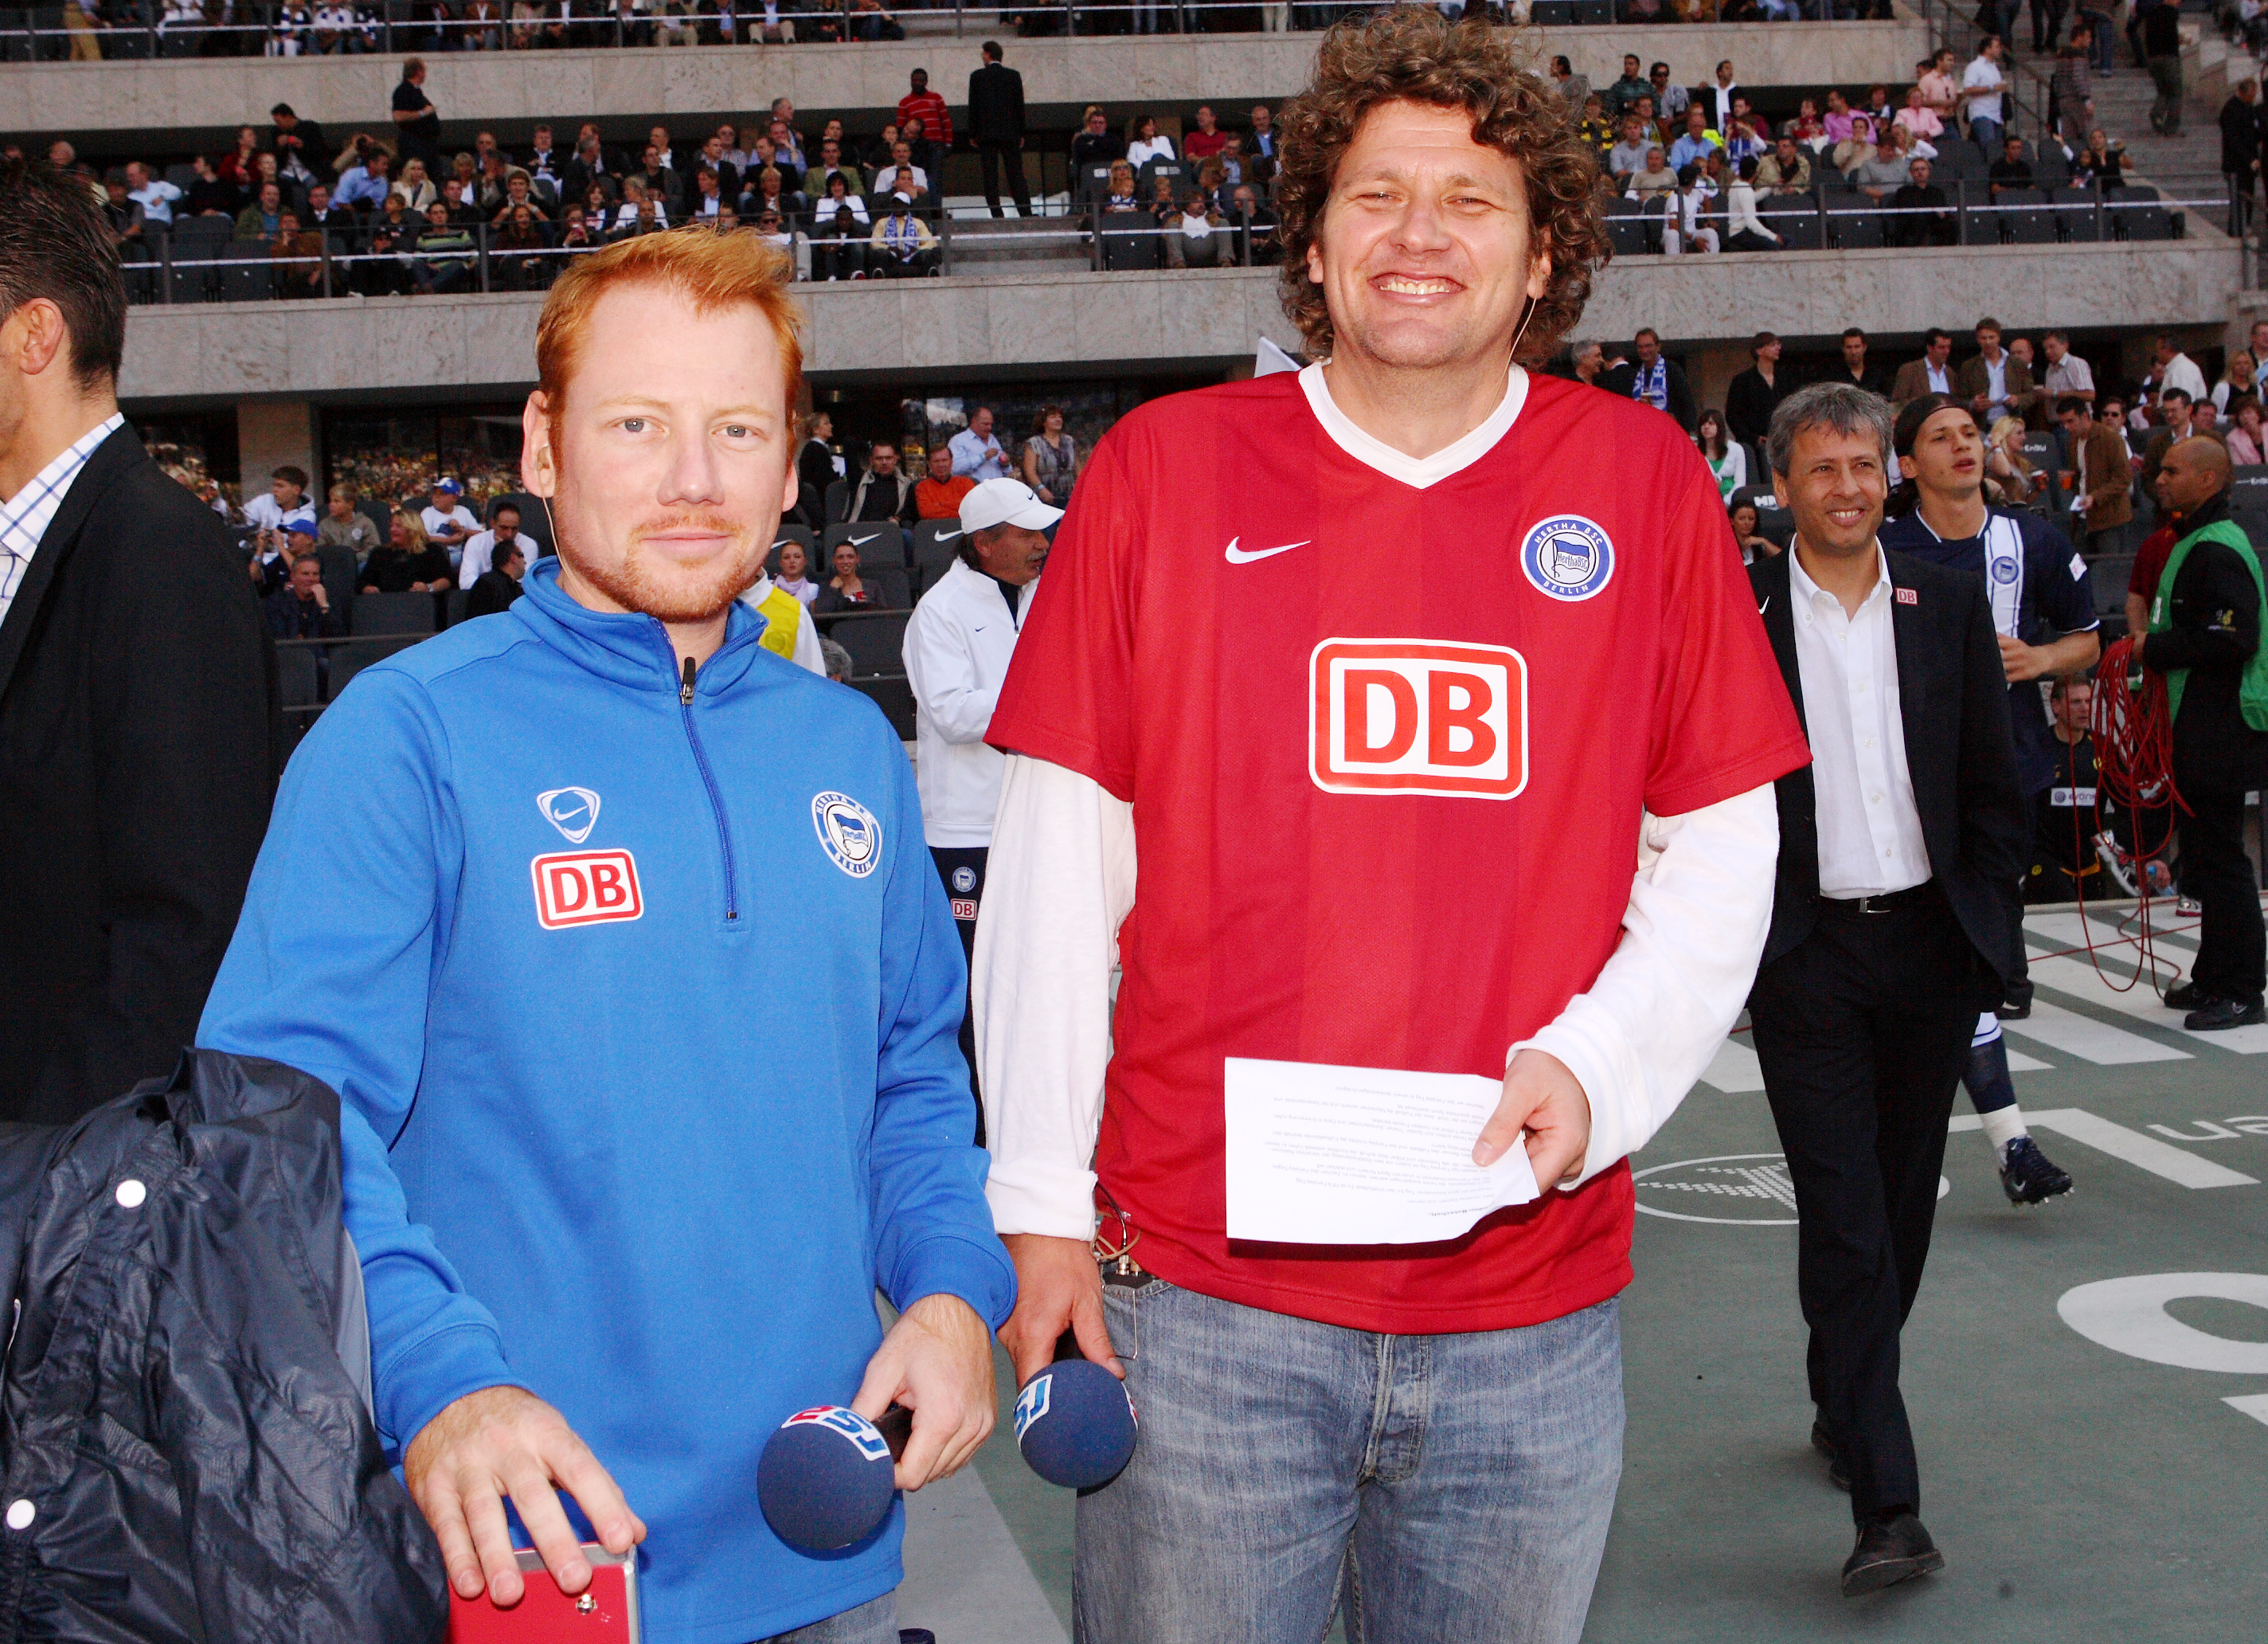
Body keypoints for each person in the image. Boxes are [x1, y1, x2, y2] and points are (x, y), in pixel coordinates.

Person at [974, 14, 1810, 1639]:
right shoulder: (1160, 474)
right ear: (1310, 237)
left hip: (1526, 1310)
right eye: (1373, 194)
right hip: (1197, 1299)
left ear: (1541, 249)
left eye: (1468, 199)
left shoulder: (1640, 484)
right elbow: (1056, 874)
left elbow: (1722, 833)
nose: (1417, 235)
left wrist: (1601, 1056)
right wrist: (1039, 1208)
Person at [199, 229, 1011, 1644]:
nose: (693, 478)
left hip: (810, 1536)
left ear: (786, 457)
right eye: (636, 424)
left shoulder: (848, 747)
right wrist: (442, 1380)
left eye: (737, 429)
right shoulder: (404, 739)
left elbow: (911, 1084)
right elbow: (278, 1125)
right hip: (520, 1549)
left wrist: (949, 1288)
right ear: (542, 444)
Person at [1746, 384, 2029, 1596]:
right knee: (1848, 1218)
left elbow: (1991, 778)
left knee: (1898, 1216)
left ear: (1889, 475)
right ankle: (1890, 1507)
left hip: (1927, 949)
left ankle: (1840, 1395)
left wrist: (1985, 917)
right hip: (1807, 960)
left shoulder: (1947, 596)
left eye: (1865, 465)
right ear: (1785, 486)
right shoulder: (1741, 614)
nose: (1849, 488)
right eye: (1824, 471)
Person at [0, 158, 275, 1123]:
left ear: (35, 333)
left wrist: (34, 1178)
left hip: (62, 1193)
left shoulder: (158, 554)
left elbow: (184, 934)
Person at [1882, 395, 2095, 1201]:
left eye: (1969, 434)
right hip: (1910, 792)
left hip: (2010, 777)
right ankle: (2011, 1145)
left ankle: (1985, 1142)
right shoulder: (1885, 544)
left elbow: (2087, 635)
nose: (1961, 447)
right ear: (1909, 464)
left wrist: (2037, 662)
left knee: (1962, 972)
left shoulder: (2029, 540)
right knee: (1956, 967)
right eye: (1940, 438)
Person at [2137, 438, 2268, 1028]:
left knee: (2220, 858)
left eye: (2172, 470)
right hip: (2197, 723)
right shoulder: (2193, 539)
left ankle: (2242, 988)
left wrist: (2151, 648)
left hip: (2220, 726)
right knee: (2204, 855)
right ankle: (2213, 976)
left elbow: (2234, 635)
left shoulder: (2216, 549)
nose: (2160, 477)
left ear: (2210, 478)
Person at [2061, 394, 2134, 557]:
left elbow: (2124, 478)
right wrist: (2070, 478)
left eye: (2070, 421)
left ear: (2085, 416)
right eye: (2064, 422)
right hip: (2083, 516)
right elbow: (2082, 475)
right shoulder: (2073, 442)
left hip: (2111, 520)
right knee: (2081, 569)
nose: (2066, 427)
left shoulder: (2111, 439)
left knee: (2111, 570)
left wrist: (2095, 497)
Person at [969, 41, 1031, 220]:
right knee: (1016, 174)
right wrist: (1021, 132)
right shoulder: (1013, 76)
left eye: (983, 54)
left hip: (986, 134)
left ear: (988, 54)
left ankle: (997, 212)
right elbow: (1020, 106)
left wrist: (973, 133)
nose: (982, 57)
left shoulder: (977, 77)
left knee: (990, 175)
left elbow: (973, 107)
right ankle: (1025, 211)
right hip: (1010, 133)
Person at [267, 546, 344, 645]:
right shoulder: (277, 602)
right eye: (305, 574)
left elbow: (339, 640)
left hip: (322, 657)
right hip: (291, 656)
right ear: (293, 577)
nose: (311, 579)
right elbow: (279, 638)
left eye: (315, 574)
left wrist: (324, 607)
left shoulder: (329, 601)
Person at [361, 511, 452, 594]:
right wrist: (368, 589)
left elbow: (447, 580)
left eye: (398, 526)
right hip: (386, 604)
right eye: (391, 526)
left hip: (421, 603)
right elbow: (363, 583)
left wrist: (428, 588)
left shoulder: (433, 550)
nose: (392, 529)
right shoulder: (379, 553)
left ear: (412, 529)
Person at [1726, 331, 1789, 449]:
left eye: (1778, 344)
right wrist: (1752, 438)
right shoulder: (1742, 381)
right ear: (1759, 350)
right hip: (1754, 446)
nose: (1778, 347)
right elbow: (1732, 415)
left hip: (1782, 443)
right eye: (1773, 344)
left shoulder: (1784, 378)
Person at [846, 440, 919, 526]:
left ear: (895, 459)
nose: (884, 462)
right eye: (879, 458)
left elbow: (910, 511)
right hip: (860, 530)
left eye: (888, 458)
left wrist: (897, 518)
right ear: (871, 460)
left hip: (890, 531)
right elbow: (848, 443)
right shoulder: (859, 481)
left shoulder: (905, 484)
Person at [456, 502, 527, 588]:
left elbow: (527, 581)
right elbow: (466, 581)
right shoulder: (475, 542)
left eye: (514, 529)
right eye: (504, 528)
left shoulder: (529, 544)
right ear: (493, 524)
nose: (509, 534)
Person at [870, 193, 940, 278]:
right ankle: (880, 276)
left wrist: (917, 249)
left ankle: (931, 274)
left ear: (907, 206)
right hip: (891, 256)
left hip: (912, 257)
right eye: (895, 203)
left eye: (900, 204)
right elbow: (874, 243)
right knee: (881, 253)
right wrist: (889, 248)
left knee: (925, 253)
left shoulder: (917, 222)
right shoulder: (882, 222)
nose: (897, 206)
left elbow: (931, 242)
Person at [392, 57, 442, 176]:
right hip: (415, 145)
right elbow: (398, 116)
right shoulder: (403, 90)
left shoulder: (415, 91)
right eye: (424, 70)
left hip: (426, 145)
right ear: (418, 71)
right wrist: (423, 113)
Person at [1022, 405, 1077, 507]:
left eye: (1060, 417)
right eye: (1053, 417)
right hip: (1045, 496)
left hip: (1070, 495)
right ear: (1043, 422)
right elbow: (1029, 471)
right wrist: (1041, 488)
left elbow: (1077, 469)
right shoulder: (1034, 443)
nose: (1058, 420)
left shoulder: (1069, 441)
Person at [1965, 35, 2011, 151]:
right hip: (1982, 113)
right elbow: (1968, 89)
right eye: (1996, 47)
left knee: (1997, 148)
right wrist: (1992, 88)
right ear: (1987, 49)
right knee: (1989, 147)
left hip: (1995, 114)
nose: (1999, 49)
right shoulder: (1975, 67)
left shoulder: (1994, 67)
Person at [461, 534, 525, 618]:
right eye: (521, 555)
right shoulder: (486, 585)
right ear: (513, 558)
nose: (524, 561)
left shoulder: (516, 588)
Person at [949, 406, 1012, 480]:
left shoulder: (993, 439)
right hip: (974, 490)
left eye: (991, 424)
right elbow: (955, 468)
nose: (989, 428)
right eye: (985, 424)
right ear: (974, 421)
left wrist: (1005, 464)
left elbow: (1007, 471)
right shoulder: (959, 440)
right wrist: (983, 457)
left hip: (997, 489)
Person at [1698, 408, 1747, 500]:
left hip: (1733, 501)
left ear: (1719, 426)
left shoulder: (1737, 449)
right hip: (1705, 500)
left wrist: (1727, 502)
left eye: (1711, 423)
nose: (1706, 427)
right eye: (1703, 424)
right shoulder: (1695, 452)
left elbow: (1740, 482)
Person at [811, 539, 871, 611]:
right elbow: (821, 614)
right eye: (840, 557)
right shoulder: (825, 588)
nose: (845, 561)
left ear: (857, 559)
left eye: (850, 557)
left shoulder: (872, 586)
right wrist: (832, 590)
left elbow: (883, 615)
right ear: (834, 560)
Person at [1730, 497, 1778, 562]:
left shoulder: (1758, 544)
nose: (1747, 523)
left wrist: (1763, 542)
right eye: (1742, 519)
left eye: (1751, 519)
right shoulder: (1726, 544)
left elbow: (1782, 558)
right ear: (1732, 521)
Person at [775, 539, 819, 605]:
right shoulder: (770, 587)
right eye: (786, 557)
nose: (792, 561)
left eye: (797, 557)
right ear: (781, 562)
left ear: (804, 561)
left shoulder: (812, 589)